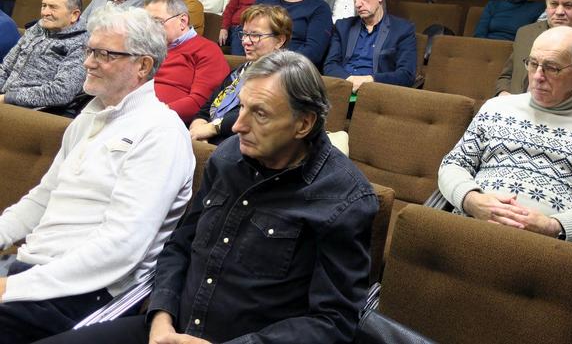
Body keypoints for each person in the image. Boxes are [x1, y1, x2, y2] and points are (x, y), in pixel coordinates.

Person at [36, 51, 378, 344]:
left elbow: (333, 321)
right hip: (168, 328)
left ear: (303, 124)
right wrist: (161, 315)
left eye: (259, 114)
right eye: (241, 107)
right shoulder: (229, 156)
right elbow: (180, 245)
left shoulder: (343, 198)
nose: (237, 125)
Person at [0, 6, 195, 343]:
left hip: (89, 291)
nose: (87, 62)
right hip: (35, 271)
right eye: (90, 50)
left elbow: (120, 248)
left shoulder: (160, 133)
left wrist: (13, 286)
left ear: (143, 65)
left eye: (103, 54)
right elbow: (42, 198)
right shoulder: (90, 117)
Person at [439, 26, 572, 247]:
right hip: (468, 232)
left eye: (552, 68)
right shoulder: (496, 109)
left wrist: (554, 227)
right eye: (533, 64)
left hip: (546, 252)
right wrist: (471, 200)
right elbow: (452, 164)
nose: (538, 77)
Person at [189, 4, 291, 144]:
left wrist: (211, 129)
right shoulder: (240, 71)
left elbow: (253, 115)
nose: (245, 41)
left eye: (255, 35)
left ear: (279, 40)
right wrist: (198, 129)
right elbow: (206, 109)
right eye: (244, 34)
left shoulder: (283, 76)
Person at [324, 0, 416, 92]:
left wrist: (369, 80)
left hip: (376, 93)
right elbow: (330, 65)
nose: (357, 4)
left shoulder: (402, 29)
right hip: (342, 89)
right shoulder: (343, 26)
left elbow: (406, 75)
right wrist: (349, 80)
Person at [145, 0, 229, 124]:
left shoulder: (207, 50)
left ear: (183, 21)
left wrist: (154, 115)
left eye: (157, 22)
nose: (149, 29)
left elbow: (200, 103)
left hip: (165, 123)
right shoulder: (145, 48)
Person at [0, 0, 87, 109]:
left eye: (53, 7)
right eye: (44, 5)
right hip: (5, 100)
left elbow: (61, 92)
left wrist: (8, 98)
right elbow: (5, 68)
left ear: (74, 15)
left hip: (31, 111)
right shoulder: (37, 28)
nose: (45, 12)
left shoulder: (82, 45)